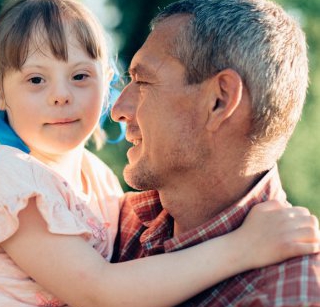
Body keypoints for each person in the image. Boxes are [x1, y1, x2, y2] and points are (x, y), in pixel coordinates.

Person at [0, 0, 320, 306]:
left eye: (81, 76)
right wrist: (242, 247)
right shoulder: (11, 184)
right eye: (36, 79)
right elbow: (100, 292)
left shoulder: (101, 184)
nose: (61, 95)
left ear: (219, 101)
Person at [110, 0, 320, 306]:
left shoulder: (291, 294)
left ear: (219, 101)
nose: (119, 110)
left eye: (143, 82)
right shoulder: (106, 223)